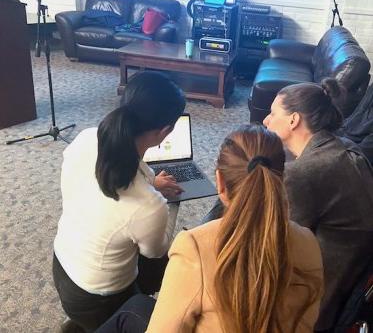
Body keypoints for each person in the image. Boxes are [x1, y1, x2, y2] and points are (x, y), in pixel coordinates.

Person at [97, 124, 324, 333]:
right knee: (137, 305)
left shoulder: (195, 247)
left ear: (220, 182)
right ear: (280, 179)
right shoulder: (308, 242)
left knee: (131, 311)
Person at [52, 71, 186, 332]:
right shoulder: (149, 206)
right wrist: (170, 203)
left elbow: (112, 183)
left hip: (62, 265)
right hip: (99, 297)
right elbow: (155, 252)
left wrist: (151, 183)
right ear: (166, 131)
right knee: (171, 260)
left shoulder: (87, 138)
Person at [263, 78, 373, 332]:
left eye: (272, 113)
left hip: (317, 303)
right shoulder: (345, 149)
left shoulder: (303, 173)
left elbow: (273, 247)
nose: (266, 121)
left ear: (293, 120)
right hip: (350, 286)